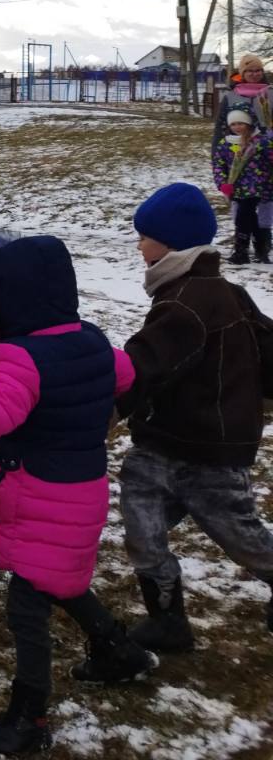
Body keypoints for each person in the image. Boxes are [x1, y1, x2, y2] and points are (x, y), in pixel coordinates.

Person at [0, 230, 153, 756]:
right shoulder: (92, 340)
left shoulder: (21, 357)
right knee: (58, 577)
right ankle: (117, 650)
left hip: (43, 494)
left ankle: (29, 716)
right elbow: (128, 375)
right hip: (84, 491)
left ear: (0, 303)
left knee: (27, 607)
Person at [115, 183, 273, 652]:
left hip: (205, 448)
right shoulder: (219, 291)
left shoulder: (184, 304)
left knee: (240, 536)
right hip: (168, 441)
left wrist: (102, 405)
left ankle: (168, 616)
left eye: (144, 236)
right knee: (142, 521)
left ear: (170, 244)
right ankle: (167, 620)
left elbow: (143, 366)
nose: (139, 245)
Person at [211, 108, 270, 264]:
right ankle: (261, 248)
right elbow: (218, 165)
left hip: (257, 187)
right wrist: (223, 183)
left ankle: (241, 251)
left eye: (241, 123)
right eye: (233, 124)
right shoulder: (226, 143)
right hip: (236, 188)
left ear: (249, 123)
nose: (237, 127)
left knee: (243, 215)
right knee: (248, 216)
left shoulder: (261, 142)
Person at [210, 53, 268, 162]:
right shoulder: (231, 96)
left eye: (258, 70)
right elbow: (220, 126)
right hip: (236, 150)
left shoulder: (270, 93)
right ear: (242, 73)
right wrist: (216, 153)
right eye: (250, 71)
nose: (254, 74)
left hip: (266, 151)